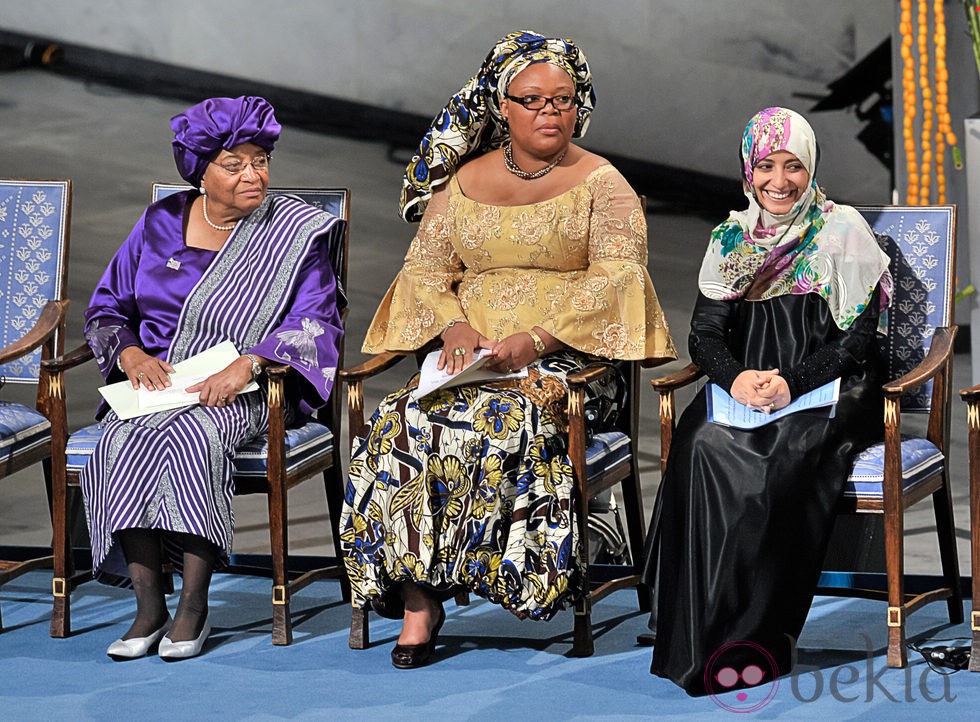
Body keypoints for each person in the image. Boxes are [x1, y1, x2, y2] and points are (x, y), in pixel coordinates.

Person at [340, 30, 676, 670]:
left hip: (569, 366)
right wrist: (451, 327)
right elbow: (426, 271)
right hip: (468, 364)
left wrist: (539, 339)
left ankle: (514, 577)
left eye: (564, 99)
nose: (551, 111)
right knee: (398, 424)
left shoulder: (604, 184)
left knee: (493, 424)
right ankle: (420, 600)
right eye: (532, 99)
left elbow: (619, 277)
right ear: (501, 107)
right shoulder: (462, 181)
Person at [81, 96, 344, 661]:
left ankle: (194, 609)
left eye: (261, 160)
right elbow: (107, 307)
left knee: (192, 438)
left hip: (248, 386)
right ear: (201, 170)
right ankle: (148, 607)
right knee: (116, 443)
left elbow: (317, 324)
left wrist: (248, 363)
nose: (253, 175)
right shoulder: (160, 221)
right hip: (159, 382)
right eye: (234, 164)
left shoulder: (296, 231)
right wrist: (130, 355)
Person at [642, 107, 892, 695]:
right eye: (766, 167)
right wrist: (735, 379)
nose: (779, 182)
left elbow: (857, 342)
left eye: (793, 167)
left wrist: (792, 384)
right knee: (703, 442)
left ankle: (754, 639)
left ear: (812, 168)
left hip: (830, 386)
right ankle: (699, 635)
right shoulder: (731, 238)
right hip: (749, 385)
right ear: (747, 172)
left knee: (770, 460)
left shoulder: (844, 230)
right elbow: (704, 336)